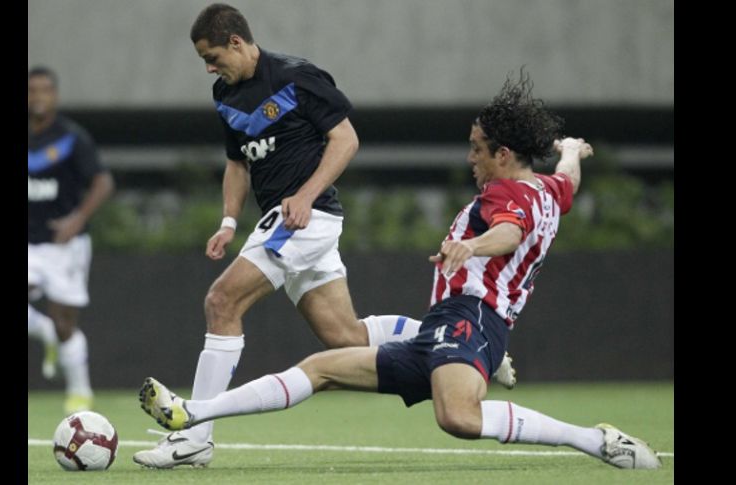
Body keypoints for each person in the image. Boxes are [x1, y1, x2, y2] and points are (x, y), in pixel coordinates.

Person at [138, 73, 662, 470]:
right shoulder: (548, 187)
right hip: (449, 326)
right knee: (322, 367)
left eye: (478, 149)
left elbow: (511, 232)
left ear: (503, 154)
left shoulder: (509, 195)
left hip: (472, 319)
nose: (470, 158)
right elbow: (567, 181)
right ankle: (193, 415)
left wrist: (470, 245)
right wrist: (571, 152)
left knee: (458, 417)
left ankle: (595, 441)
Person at [28, 66, 114, 414]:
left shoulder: (71, 137)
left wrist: (77, 220)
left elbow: (103, 182)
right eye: (32, 90)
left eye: (44, 90)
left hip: (65, 245)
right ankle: (45, 331)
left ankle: (79, 392)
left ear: (55, 95)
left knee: (65, 322)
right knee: (54, 325)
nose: (38, 97)